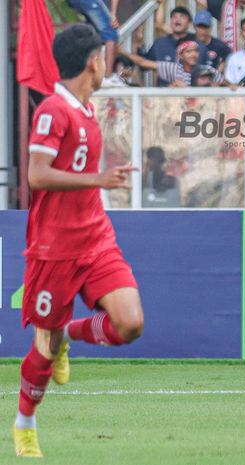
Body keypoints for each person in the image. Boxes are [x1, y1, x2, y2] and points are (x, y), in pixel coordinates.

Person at [13, 24, 144, 458]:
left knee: (130, 323)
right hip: (54, 249)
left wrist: (100, 182)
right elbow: (36, 175)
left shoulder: (86, 109)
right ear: (93, 62)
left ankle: (69, 332)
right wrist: (99, 179)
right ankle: (25, 423)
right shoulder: (53, 109)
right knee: (43, 353)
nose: (106, 64)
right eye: (104, 57)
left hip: (97, 239)